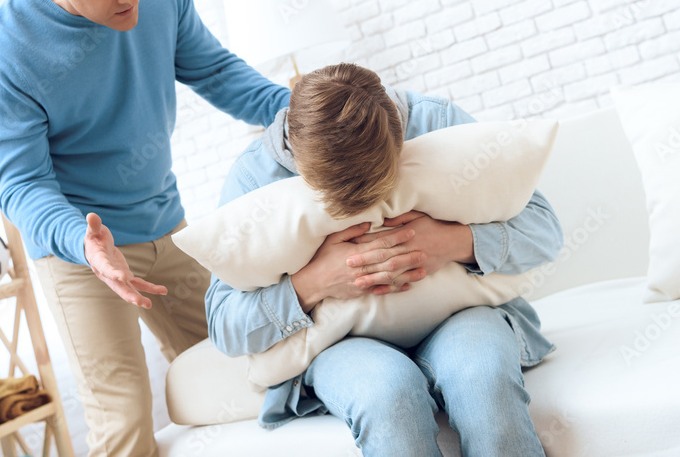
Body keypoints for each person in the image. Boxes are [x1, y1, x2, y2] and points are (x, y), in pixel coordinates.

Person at [0, 0, 295, 457]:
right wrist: (84, 244)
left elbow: (214, 71)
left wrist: (302, 113)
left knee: (246, 372)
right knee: (124, 417)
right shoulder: (1, 51)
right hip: (80, 250)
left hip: (167, 224)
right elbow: (22, 184)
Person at [206, 63, 564, 457]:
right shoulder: (253, 178)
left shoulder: (437, 122)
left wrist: (454, 242)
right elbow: (224, 326)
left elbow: (546, 231)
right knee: (389, 397)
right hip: (343, 346)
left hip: (462, 318)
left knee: (483, 379)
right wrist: (314, 282)